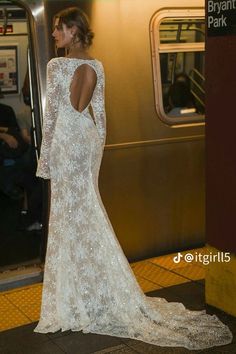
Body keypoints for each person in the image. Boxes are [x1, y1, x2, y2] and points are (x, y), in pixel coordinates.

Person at [34, 7, 233, 350]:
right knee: (88, 212)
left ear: (73, 31)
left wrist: (45, 160)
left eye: (58, 29)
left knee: (67, 217)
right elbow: (99, 115)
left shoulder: (56, 66)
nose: (54, 35)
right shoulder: (96, 66)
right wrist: (96, 152)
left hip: (68, 142)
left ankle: (71, 298)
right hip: (86, 141)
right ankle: (99, 290)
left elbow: (54, 114)